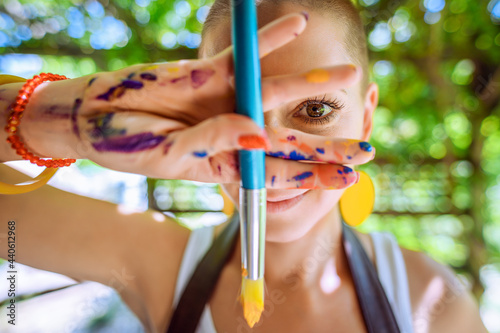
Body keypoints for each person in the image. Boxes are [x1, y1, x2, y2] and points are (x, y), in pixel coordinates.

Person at [0, 0, 488, 332]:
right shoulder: (156, 262)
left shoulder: (433, 302)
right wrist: (58, 120)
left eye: (315, 110)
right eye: (234, 111)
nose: (266, 152)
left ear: (367, 113)